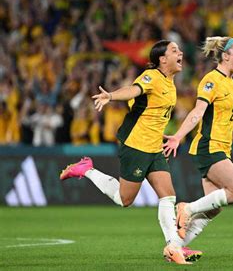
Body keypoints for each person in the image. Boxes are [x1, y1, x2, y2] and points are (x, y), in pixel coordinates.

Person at [59, 40, 197, 265]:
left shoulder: (170, 83)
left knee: (168, 195)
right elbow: (133, 90)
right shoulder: (151, 76)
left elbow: (151, 113)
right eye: (174, 50)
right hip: (136, 145)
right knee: (125, 199)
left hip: (154, 146)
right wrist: (111, 96)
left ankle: (174, 247)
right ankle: (87, 170)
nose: (180, 52)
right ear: (162, 59)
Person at [162, 36, 233, 249]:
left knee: (213, 208)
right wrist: (178, 136)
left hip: (223, 149)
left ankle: (175, 247)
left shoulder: (232, 84)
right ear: (225, 56)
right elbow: (197, 112)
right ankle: (186, 209)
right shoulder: (211, 80)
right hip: (209, 147)